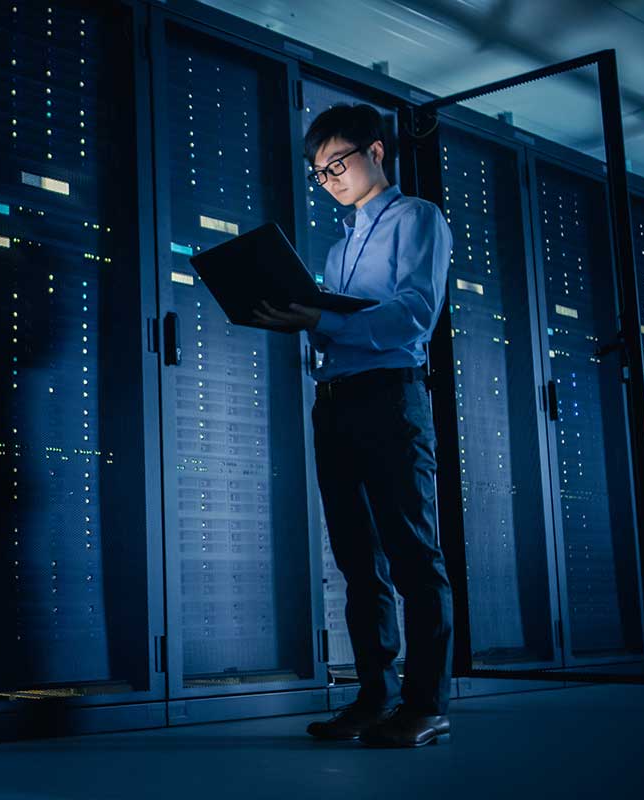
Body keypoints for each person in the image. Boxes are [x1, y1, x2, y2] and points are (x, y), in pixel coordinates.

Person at [252, 103, 455, 748]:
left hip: (391, 399)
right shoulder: (339, 249)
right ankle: (376, 698)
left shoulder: (417, 218)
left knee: (413, 555)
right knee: (357, 562)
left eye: (337, 163)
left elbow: (413, 315)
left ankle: (426, 706)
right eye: (319, 172)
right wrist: (295, 316)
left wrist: (321, 320)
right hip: (335, 403)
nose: (330, 179)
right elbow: (338, 329)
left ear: (376, 151)